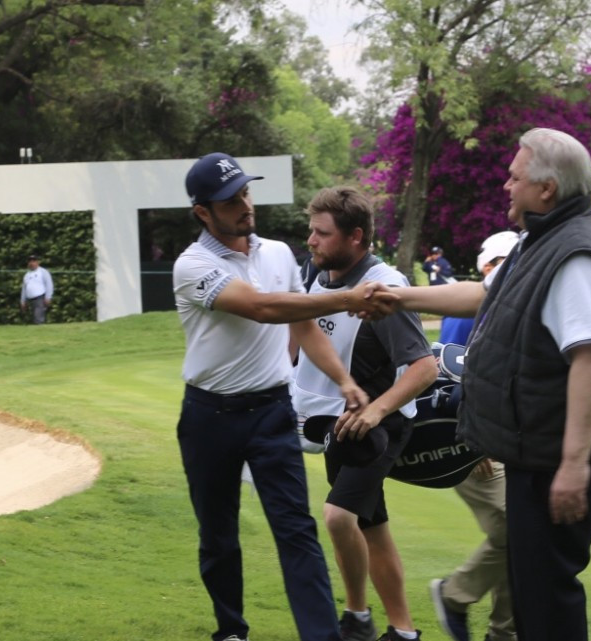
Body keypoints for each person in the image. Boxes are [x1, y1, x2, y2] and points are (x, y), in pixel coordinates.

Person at [365, 128, 591, 641]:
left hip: (556, 457)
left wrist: (574, 465)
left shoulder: (576, 256)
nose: (505, 186)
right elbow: (481, 295)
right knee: (534, 590)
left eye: (515, 177)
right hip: (534, 451)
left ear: (547, 188)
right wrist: (399, 299)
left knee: (548, 595)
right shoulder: (541, 241)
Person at [172, 152, 396, 641]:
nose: (244, 205)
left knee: (297, 531)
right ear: (203, 212)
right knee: (218, 536)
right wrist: (345, 298)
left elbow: (303, 324)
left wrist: (344, 380)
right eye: (231, 201)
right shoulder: (193, 265)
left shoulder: (275, 252)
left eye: (246, 193)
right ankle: (231, 629)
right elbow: (262, 307)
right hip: (209, 416)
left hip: (272, 411)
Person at [292, 187, 439, 641]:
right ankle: (404, 631)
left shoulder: (384, 288)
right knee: (373, 528)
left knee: (339, 517)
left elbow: (424, 366)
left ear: (356, 237)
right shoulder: (315, 275)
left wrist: (375, 411)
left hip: (379, 424)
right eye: (311, 232)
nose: (311, 242)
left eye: (322, 233)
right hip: (340, 423)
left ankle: (356, 618)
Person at [428, 229, 521, 641]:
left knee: (519, 538)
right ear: (488, 267)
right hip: (472, 443)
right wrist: (470, 443)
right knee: (514, 529)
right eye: (504, 264)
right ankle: (453, 596)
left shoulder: (508, 303)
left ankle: (503, 633)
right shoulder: (471, 310)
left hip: (504, 438)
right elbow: (449, 375)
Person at [438, 232, 519, 346]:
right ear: (488, 268)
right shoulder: (463, 316)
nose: (521, 265)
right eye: (511, 260)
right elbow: (448, 360)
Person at [20, 254, 53, 324]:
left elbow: (49, 284)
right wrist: (23, 301)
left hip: (40, 298)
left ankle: (40, 331)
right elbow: (24, 289)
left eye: (34, 261)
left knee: (38, 317)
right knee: (33, 317)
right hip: (30, 299)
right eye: (30, 261)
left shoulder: (43, 272)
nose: (32, 263)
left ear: (37, 262)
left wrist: (48, 297)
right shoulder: (27, 275)